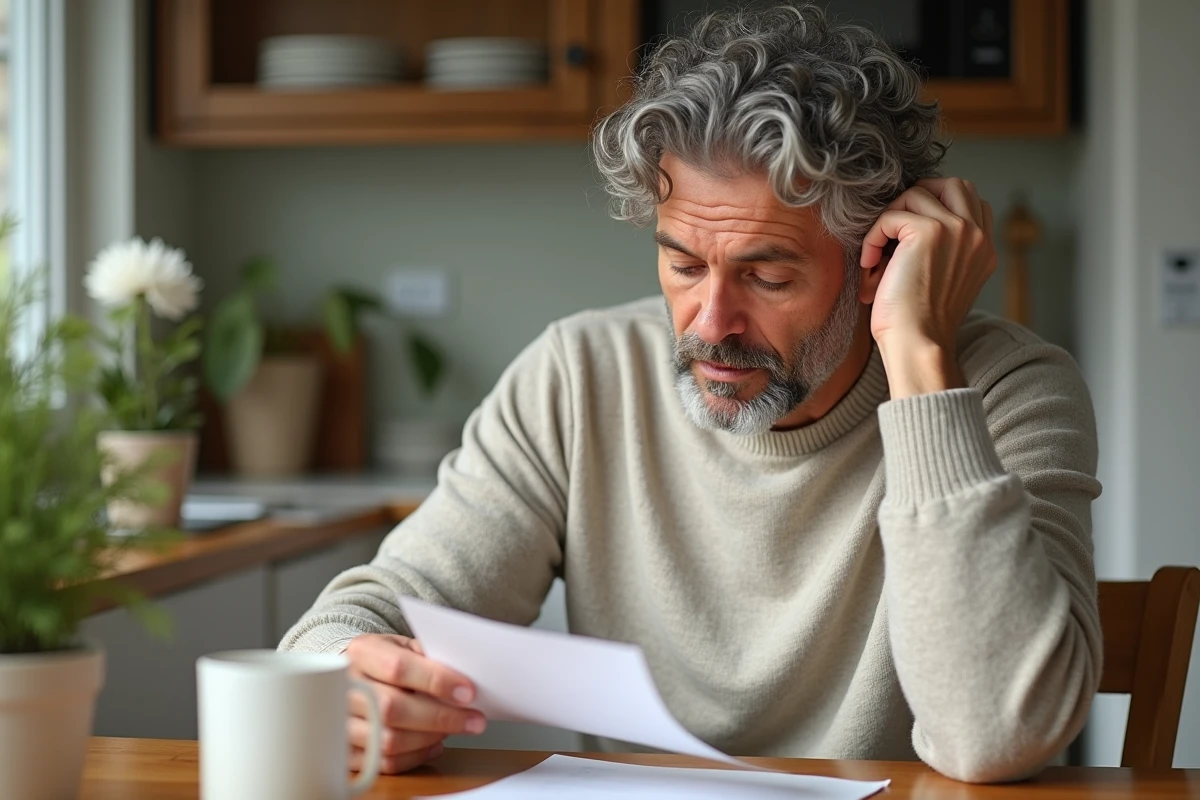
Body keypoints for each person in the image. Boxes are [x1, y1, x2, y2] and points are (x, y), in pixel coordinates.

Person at [281, 3, 1101, 783]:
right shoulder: (580, 377)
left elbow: (996, 735)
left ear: (876, 263)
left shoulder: (1008, 392)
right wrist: (345, 674)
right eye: (682, 264)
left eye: (767, 276)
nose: (711, 323)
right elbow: (365, 613)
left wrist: (919, 361)